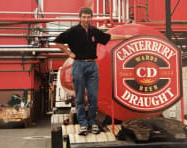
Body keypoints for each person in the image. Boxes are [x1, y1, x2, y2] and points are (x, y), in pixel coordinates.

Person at [54, 7, 131, 136]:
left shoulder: (93, 31)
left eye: (88, 17)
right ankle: (83, 125)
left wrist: (124, 36)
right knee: (79, 97)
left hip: (92, 65)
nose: (86, 19)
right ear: (79, 17)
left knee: (94, 97)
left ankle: (92, 123)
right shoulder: (73, 31)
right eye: (83, 17)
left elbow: (108, 36)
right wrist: (68, 53)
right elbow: (58, 41)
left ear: (91, 18)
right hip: (78, 65)